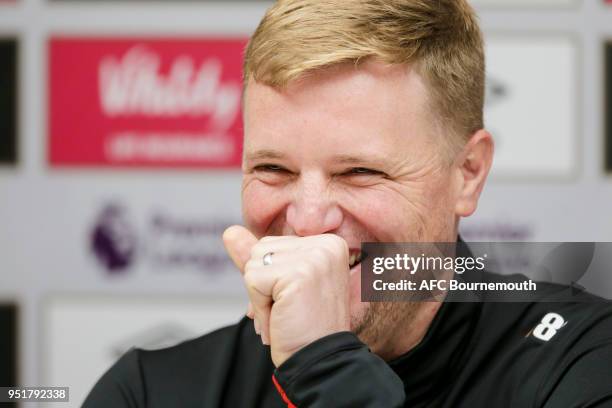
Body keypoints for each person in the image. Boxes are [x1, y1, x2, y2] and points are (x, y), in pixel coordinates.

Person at [82, 0, 612, 407]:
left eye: (360, 172)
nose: (308, 219)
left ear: (467, 175)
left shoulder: (585, 362)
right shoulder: (153, 392)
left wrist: (324, 368)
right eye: (273, 169)